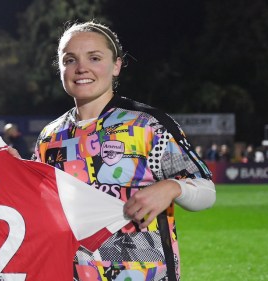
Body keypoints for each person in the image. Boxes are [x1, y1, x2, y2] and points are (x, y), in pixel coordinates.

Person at [32, 21, 216, 281]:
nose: (81, 68)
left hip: (141, 273)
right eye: (70, 60)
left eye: (94, 58)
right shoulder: (49, 137)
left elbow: (206, 190)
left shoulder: (148, 125)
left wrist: (174, 187)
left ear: (116, 65)